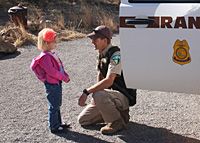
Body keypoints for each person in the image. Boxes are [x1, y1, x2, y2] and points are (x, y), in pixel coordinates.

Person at [78, 25, 136, 135]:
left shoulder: (116, 55)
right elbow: (100, 78)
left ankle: (116, 121)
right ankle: (114, 114)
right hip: (109, 95)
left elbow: (109, 81)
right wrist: (95, 100)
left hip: (122, 96)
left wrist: (87, 92)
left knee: (98, 94)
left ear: (105, 40)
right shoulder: (100, 55)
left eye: (95, 39)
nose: (92, 42)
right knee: (83, 120)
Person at [30, 28, 70, 133]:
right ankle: (54, 126)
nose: (56, 42)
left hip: (56, 82)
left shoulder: (51, 54)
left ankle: (58, 123)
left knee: (57, 104)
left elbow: (59, 66)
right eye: (54, 41)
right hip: (52, 84)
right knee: (54, 105)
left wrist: (64, 74)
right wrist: (64, 77)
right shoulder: (45, 57)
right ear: (47, 43)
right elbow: (52, 71)